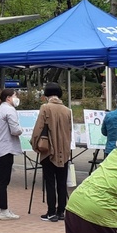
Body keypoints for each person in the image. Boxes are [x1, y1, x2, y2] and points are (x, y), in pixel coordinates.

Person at [31, 82, 74, 222]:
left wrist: (34, 143)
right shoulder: (67, 110)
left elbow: (38, 129)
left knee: (50, 182)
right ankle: (61, 211)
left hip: (48, 150)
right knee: (62, 182)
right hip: (64, 151)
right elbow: (69, 131)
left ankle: (51, 212)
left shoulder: (45, 108)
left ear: (46, 94)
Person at [0, 89, 23, 221]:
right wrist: (22, 129)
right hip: (4, 150)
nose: (16, 98)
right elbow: (15, 130)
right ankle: (4, 211)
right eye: (15, 95)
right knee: (3, 180)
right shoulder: (9, 110)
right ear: (8, 98)